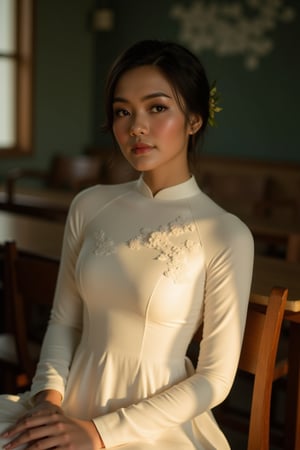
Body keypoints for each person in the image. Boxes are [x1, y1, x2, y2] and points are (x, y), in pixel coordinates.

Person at [0, 40, 254, 449]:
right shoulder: (90, 204)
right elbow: (65, 320)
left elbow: (215, 378)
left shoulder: (226, 232)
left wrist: (98, 434)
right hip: (66, 405)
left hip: (153, 423)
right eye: (123, 111)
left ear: (194, 119)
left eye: (157, 108)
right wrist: (47, 402)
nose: (136, 126)